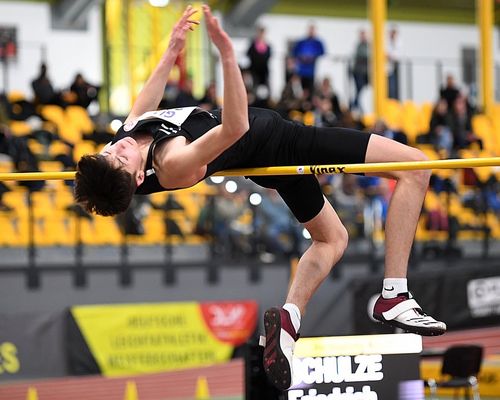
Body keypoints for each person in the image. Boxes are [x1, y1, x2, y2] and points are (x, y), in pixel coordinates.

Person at [74, 5, 446, 392]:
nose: (121, 146)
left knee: (332, 239)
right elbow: (236, 127)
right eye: (119, 157)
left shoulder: (124, 145)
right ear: (137, 177)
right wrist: (229, 56)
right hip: (284, 143)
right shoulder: (173, 163)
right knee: (415, 167)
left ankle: (288, 322)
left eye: (110, 150)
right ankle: (394, 295)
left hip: (271, 151)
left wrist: (171, 51)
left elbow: (139, 114)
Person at [292, 24, 325, 96]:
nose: (311, 32)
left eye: (313, 30)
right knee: (299, 91)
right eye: (310, 30)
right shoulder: (302, 42)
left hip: (311, 72)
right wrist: (301, 57)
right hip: (301, 71)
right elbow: (294, 52)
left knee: (310, 90)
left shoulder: (318, 42)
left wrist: (313, 57)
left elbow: (322, 52)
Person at [351, 29, 369, 112]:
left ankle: (354, 104)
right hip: (358, 72)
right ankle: (355, 105)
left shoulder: (368, 45)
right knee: (359, 90)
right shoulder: (360, 45)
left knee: (361, 91)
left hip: (365, 73)